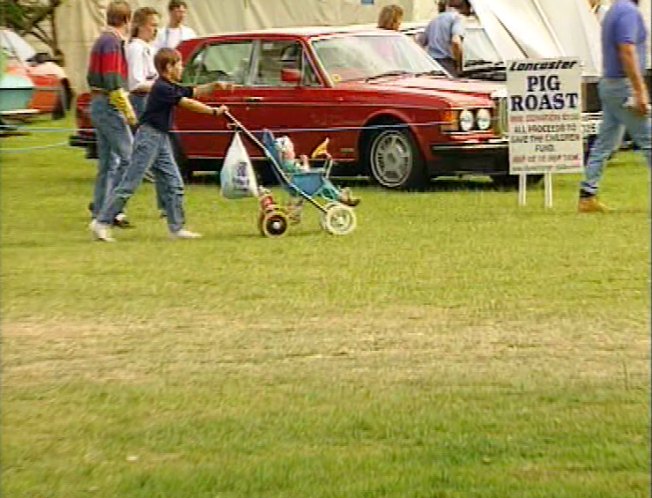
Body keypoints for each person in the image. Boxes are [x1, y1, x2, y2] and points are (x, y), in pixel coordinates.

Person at [90, 48, 232, 241]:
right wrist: (214, 112)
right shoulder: (162, 88)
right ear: (168, 67)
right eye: (179, 64)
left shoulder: (170, 86)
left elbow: (194, 91)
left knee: (174, 182)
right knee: (130, 183)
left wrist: (215, 86)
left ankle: (177, 228)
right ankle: (102, 222)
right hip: (149, 138)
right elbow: (187, 103)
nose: (182, 68)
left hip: (161, 139)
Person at [578, 0, 651, 213]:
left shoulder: (613, 11)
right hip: (623, 85)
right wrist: (639, 89)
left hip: (609, 83)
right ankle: (587, 195)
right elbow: (627, 50)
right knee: (648, 140)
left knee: (604, 143)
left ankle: (587, 195)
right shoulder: (627, 12)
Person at [86, 0, 136, 228]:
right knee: (128, 157)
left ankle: (99, 207)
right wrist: (127, 110)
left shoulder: (101, 40)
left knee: (108, 162)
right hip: (108, 104)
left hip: (97, 102)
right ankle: (112, 208)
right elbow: (112, 79)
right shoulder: (112, 43)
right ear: (127, 20)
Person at [274, 135, 360, 208]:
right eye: (291, 150)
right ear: (286, 153)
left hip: (299, 183)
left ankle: (339, 195)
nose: (293, 152)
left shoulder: (287, 164)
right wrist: (305, 162)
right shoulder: (290, 164)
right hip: (302, 184)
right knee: (322, 183)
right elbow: (305, 171)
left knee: (324, 184)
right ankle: (341, 197)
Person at [418, 0, 469, 77]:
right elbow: (456, 42)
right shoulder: (458, 18)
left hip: (432, 65)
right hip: (448, 64)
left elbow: (420, 42)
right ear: (466, 7)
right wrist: (460, 66)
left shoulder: (434, 20)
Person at [127, 7, 159, 119]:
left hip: (151, 99)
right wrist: (162, 86)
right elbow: (136, 84)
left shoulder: (151, 48)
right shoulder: (136, 48)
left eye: (157, 26)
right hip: (140, 101)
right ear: (140, 26)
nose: (155, 30)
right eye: (152, 25)